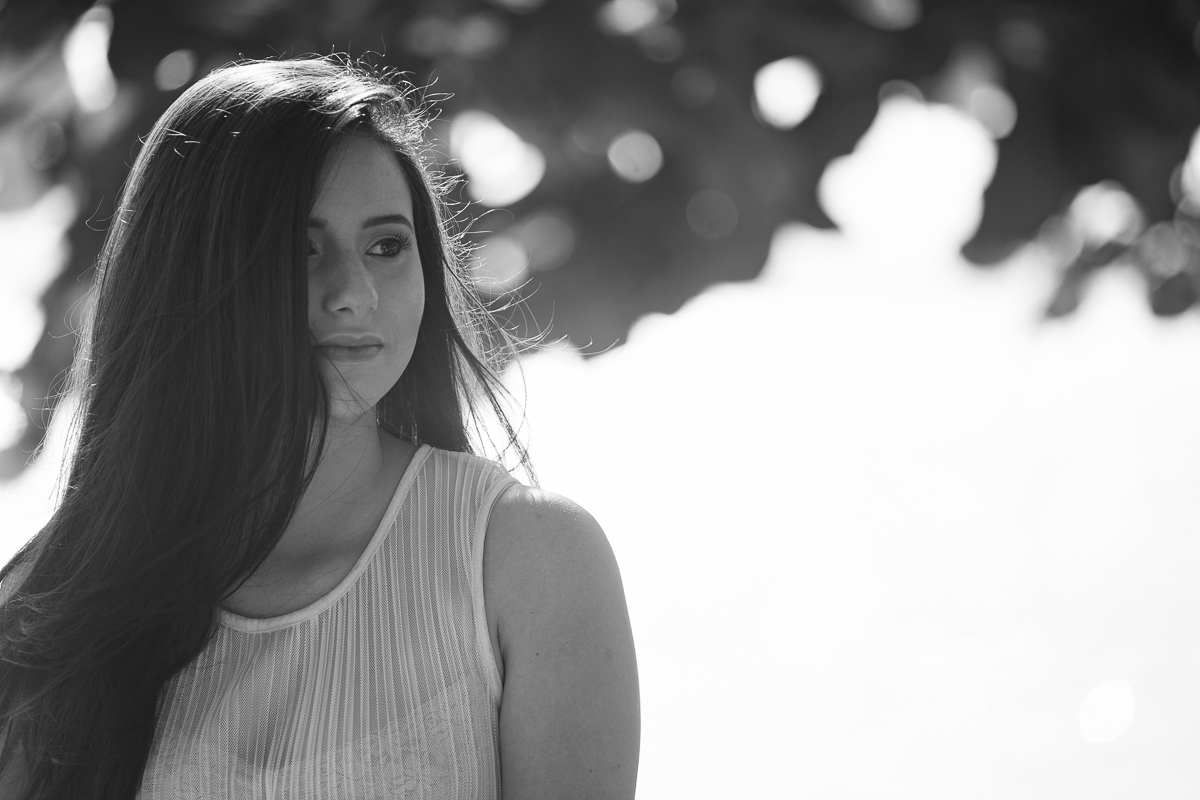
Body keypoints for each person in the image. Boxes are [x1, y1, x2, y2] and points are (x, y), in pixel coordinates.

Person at [0, 57, 639, 800]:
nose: (353, 293)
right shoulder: (47, 610)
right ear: (189, 272)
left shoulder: (528, 561)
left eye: (387, 246)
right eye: (297, 248)